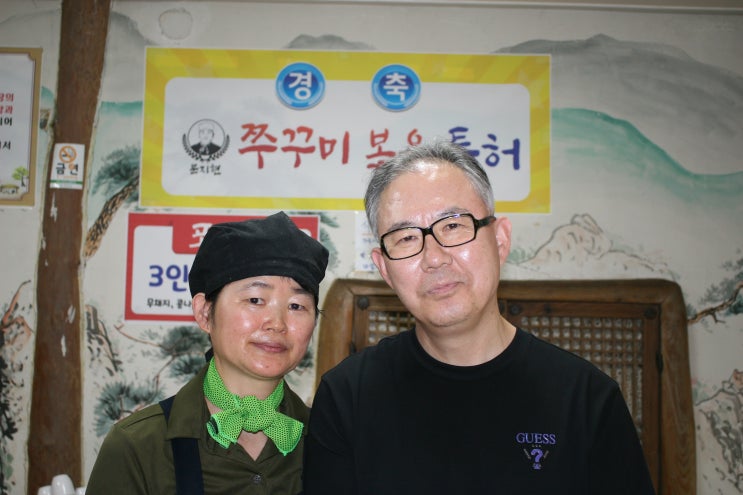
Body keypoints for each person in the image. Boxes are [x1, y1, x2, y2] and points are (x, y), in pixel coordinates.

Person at [303, 140, 655, 494]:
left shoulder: (587, 400)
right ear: (385, 269)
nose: (434, 258)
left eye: (453, 226)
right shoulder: (347, 397)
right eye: (406, 238)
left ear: (500, 241)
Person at [87, 211, 329, 495]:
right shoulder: (137, 445)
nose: (277, 323)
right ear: (204, 313)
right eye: (255, 300)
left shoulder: (330, 440)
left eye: (297, 306)